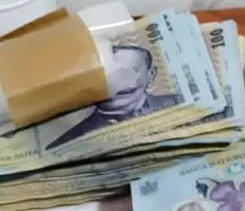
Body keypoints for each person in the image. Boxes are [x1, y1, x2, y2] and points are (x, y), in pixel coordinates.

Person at [45, 45, 179, 149]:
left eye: (127, 73)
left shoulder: (180, 104)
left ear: (151, 74)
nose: (114, 83)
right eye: (104, 74)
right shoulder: (67, 142)